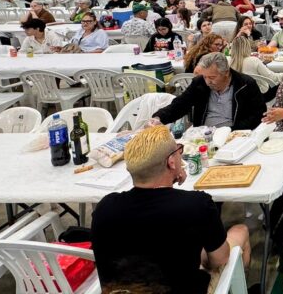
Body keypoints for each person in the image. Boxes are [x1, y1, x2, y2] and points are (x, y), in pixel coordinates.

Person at [91, 125, 251, 293]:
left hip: (124, 289)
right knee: (240, 231)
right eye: (178, 151)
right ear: (171, 162)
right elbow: (219, 259)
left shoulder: (105, 208)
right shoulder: (197, 205)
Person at [152, 52, 264, 130]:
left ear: (226, 73)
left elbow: (258, 115)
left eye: (212, 77)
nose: (207, 82)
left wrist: (230, 131)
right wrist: (159, 118)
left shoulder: (245, 84)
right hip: (203, 134)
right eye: (205, 77)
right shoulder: (199, 82)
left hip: (234, 134)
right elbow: (180, 104)